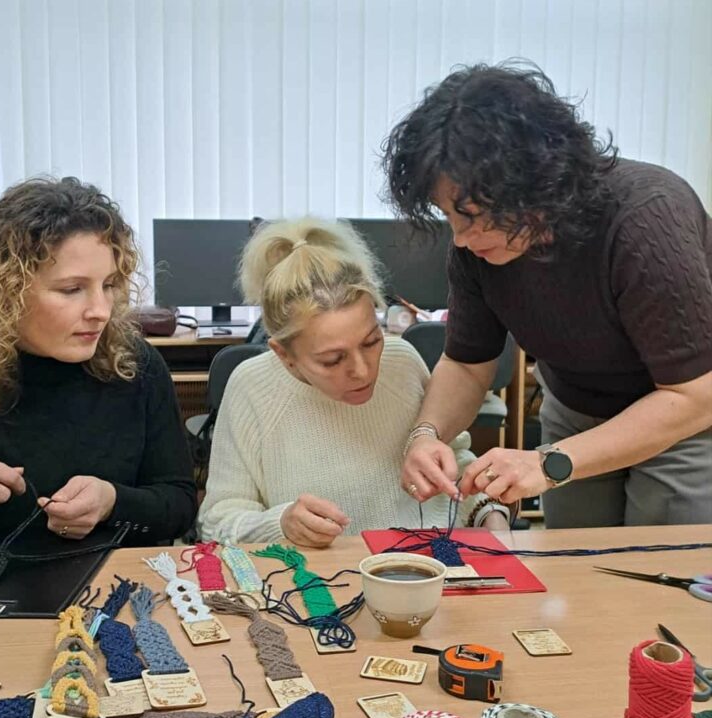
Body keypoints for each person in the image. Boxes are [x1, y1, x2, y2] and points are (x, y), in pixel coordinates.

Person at [385, 63, 712, 528]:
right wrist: (426, 434)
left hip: (683, 419)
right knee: (575, 562)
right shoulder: (476, 249)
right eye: (449, 215)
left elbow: (694, 394)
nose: (460, 238)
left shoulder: (645, 221)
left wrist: (547, 463)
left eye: (473, 215)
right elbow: (466, 363)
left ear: (535, 185)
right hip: (575, 409)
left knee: (656, 564)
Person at [197, 217, 509, 546]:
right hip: (317, 574)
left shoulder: (402, 362)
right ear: (284, 354)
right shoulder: (252, 387)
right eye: (333, 359)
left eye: (371, 342)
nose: (362, 371)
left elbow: (450, 460)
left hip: (424, 561)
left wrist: (488, 510)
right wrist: (281, 524)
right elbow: (217, 522)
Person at [0, 176, 196, 550]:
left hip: (111, 578)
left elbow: (180, 506)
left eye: (109, 285)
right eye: (72, 290)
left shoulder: (137, 365)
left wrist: (112, 503)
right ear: (4, 292)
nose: (101, 311)